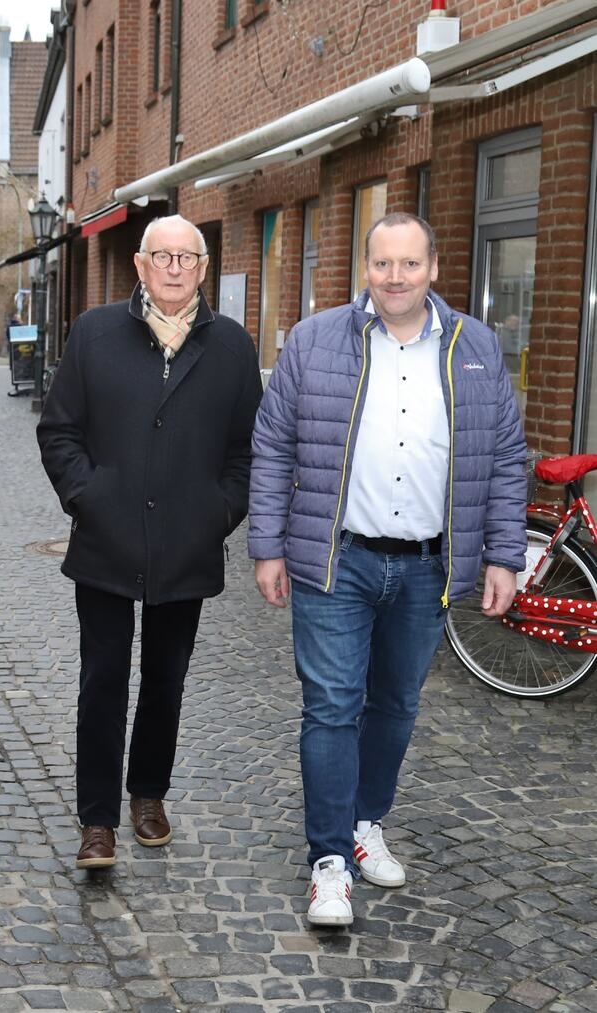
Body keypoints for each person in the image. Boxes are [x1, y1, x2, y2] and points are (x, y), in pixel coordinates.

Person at [249, 212, 527, 928]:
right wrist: (269, 545)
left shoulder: (477, 348)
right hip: (335, 558)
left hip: (427, 566)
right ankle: (329, 862)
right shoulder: (315, 342)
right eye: (383, 264)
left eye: (409, 264)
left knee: (396, 705)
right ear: (364, 269)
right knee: (332, 706)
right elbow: (273, 447)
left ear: (434, 268)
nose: (395, 277)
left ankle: (365, 821)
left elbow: (502, 459)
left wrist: (502, 554)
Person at [37, 214, 262, 871]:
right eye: (160, 256)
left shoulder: (231, 347)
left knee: (166, 678)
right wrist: (88, 496)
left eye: (185, 257)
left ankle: (148, 793)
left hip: (187, 544)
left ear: (202, 268)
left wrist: (218, 512)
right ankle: (98, 818)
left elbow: (247, 449)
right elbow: (59, 431)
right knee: (102, 680)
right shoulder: (96, 334)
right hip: (105, 541)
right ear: (139, 265)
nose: (172, 267)